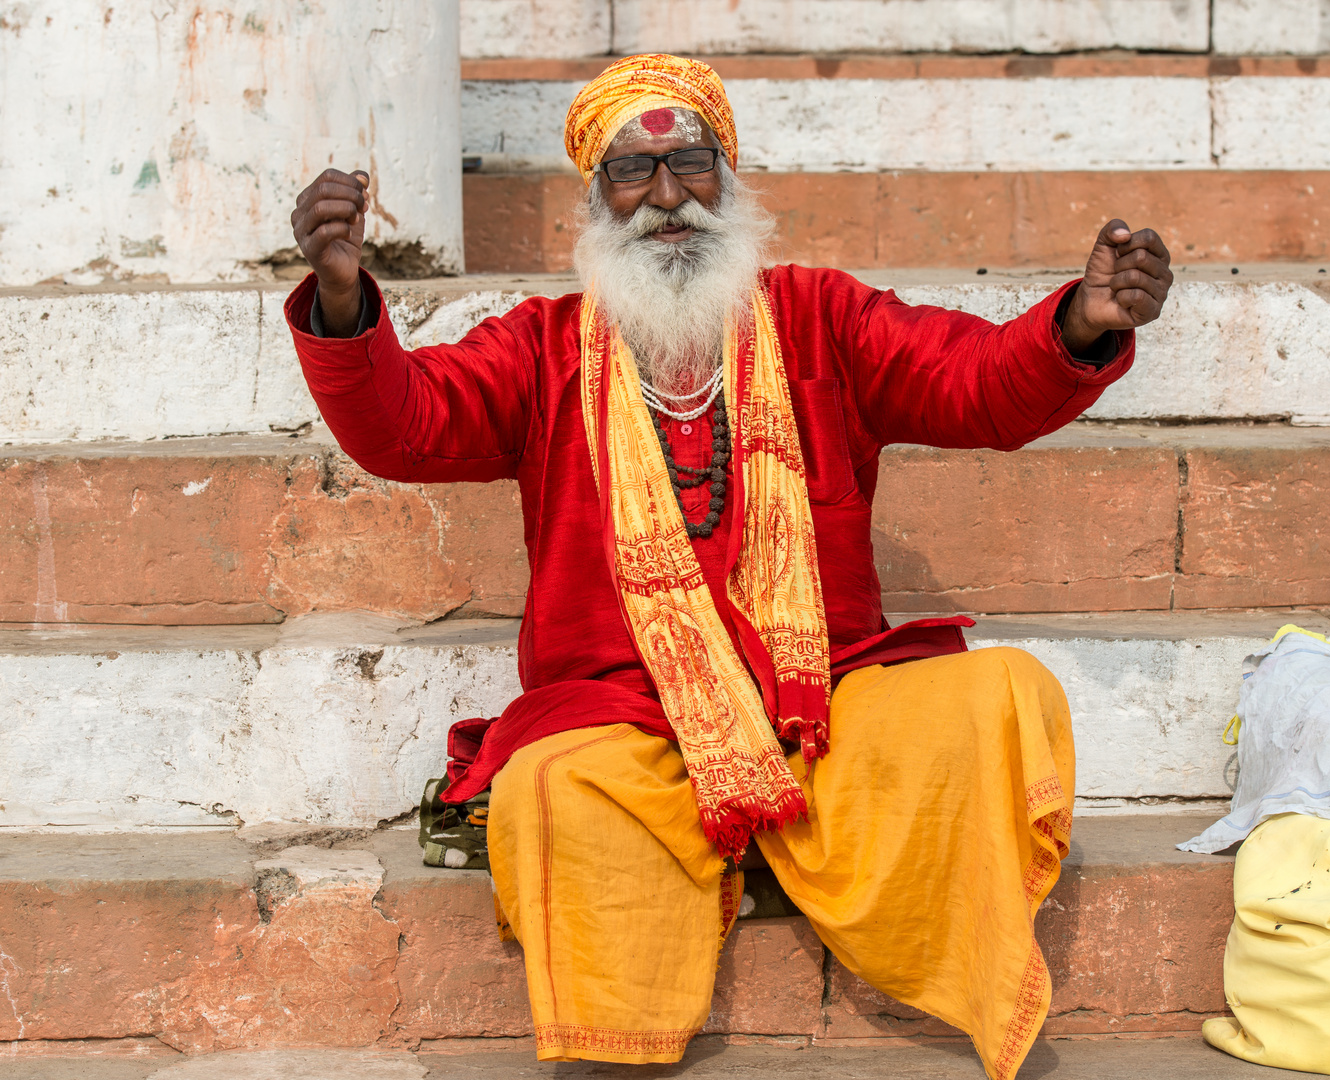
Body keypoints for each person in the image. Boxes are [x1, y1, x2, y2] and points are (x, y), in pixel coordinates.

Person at [286, 54, 1173, 1079]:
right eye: (633, 173)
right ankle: (623, 1039)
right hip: (631, 718)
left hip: (820, 702)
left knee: (1001, 696)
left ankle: (946, 963)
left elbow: (972, 382)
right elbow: (407, 425)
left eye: (690, 165)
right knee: (551, 789)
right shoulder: (543, 346)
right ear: (597, 199)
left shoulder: (818, 318)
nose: (667, 199)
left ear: (728, 177)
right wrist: (345, 298)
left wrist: (1078, 325)